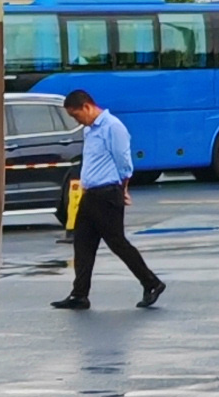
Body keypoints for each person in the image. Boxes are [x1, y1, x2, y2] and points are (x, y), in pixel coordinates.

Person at [51, 88, 164, 311]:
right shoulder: (90, 130)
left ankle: (152, 283)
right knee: (82, 244)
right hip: (90, 194)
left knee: (117, 243)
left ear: (87, 107)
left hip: (107, 194)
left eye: (76, 115)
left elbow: (123, 162)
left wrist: (123, 189)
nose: (77, 121)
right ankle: (79, 294)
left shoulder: (113, 127)